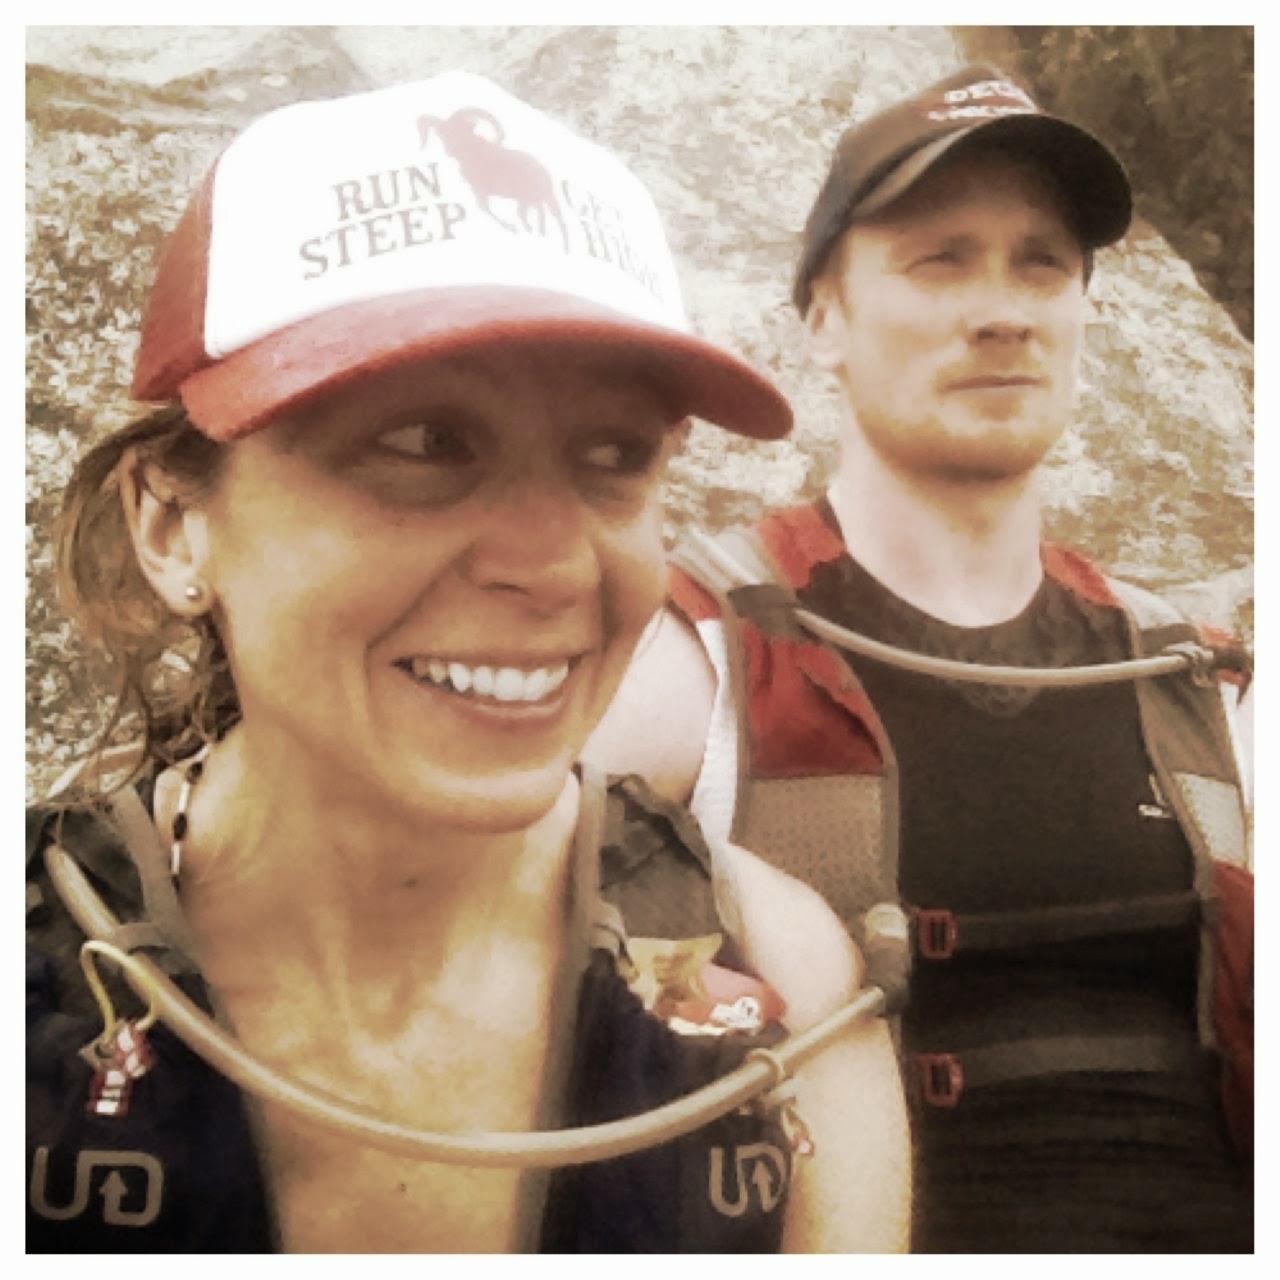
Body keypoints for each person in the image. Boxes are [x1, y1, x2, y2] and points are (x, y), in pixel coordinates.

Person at [25, 71, 911, 1254]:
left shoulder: (783, 978)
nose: (552, 565)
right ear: (173, 526)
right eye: (422, 441)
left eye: (614, 454)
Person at [587, 65, 1253, 1252]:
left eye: (1039, 264)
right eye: (939, 260)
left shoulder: (1193, 683)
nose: (1001, 311)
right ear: (822, 320)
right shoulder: (701, 651)